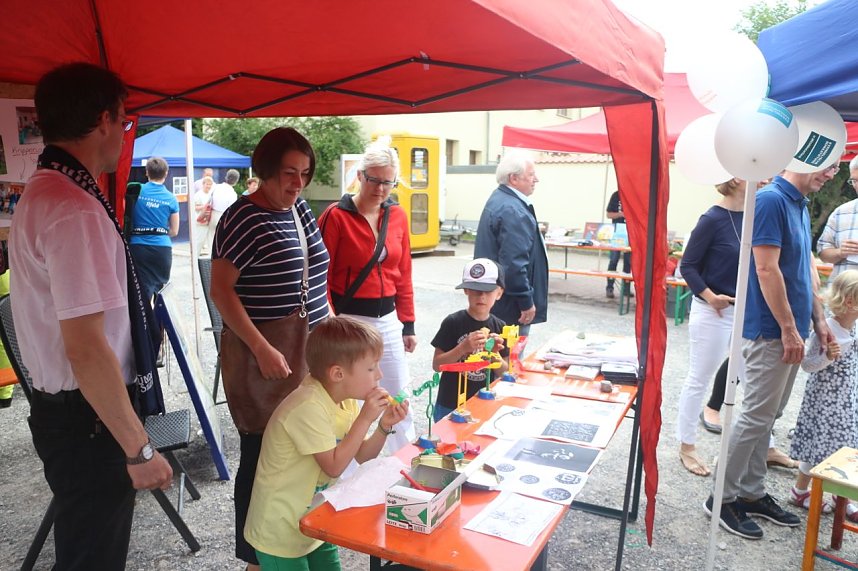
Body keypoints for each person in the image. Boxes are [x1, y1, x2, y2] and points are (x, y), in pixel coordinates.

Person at [9, 62, 172, 569]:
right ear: (104, 120)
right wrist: (139, 449)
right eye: (124, 121)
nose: (123, 134)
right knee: (92, 558)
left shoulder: (46, 188)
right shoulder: (73, 206)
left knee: (84, 550)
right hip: (88, 418)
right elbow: (85, 347)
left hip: (74, 414)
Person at [210, 127, 330, 571]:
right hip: (268, 355)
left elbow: (315, 275)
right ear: (264, 170)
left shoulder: (299, 208)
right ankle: (255, 558)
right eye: (288, 173)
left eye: (304, 173)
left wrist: (333, 332)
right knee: (262, 453)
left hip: (309, 348)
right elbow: (221, 291)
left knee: (302, 450)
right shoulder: (242, 218)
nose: (298, 183)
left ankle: (294, 538)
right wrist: (261, 348)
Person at [704, 165, 838, 540]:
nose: (832, 174)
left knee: (767, 416)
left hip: (789, 329)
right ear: (802, 159)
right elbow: (766, 269)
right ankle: (721, 498)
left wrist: (819, 319)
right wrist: (789, 328)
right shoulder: (770, 200)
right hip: (770, 331)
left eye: (836, 167)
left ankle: (751, 492)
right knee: (754, 417)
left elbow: (804, 270)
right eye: (828, 165)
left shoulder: (798, 203)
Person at [244, 316, 408, 570]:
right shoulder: (308, 406)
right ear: (338, 374)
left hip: (313, 517)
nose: (380, 374)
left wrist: (384, 426)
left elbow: (362, 455)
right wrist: (365, 418)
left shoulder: (345, 398)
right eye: (371, 368)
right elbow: (333, 466)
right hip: (280, 530)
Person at [319, 141, 417, 452]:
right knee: (349, 397)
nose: (380, 189)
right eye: (374, 180)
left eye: (388, 182)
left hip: (387, 317)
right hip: (349, 319)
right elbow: (321, 274)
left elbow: (403, 271)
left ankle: (404, 458)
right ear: (360, 176)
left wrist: (408, 323)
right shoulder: (336, 216)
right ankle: (346, 468)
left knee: (398, 393)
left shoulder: (397, 215)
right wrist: (329, 320)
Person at [676, 178, 745, 477]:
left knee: (750, 380)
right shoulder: (712, 219)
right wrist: (709, 296)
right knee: (699, 378)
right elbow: (687, 266)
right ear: (737, 179)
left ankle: (759, 449)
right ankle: (686, 445)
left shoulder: (755, 215)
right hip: (713, 310)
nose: (766, 178)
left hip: (746, 312)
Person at [788, 270, 858, 517]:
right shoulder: (826, 329)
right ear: (850, 301)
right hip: (825, 401)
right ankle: (800, 491)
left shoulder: (854, 327)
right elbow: (807, 365)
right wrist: (827, 357)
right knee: (816, 445)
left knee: (846, 447)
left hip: (847, 400)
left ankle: (842, 495)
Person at [474, 150, 548, 338]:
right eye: (531, 175)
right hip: (509, 306)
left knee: (494, 351)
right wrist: (526, 301)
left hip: (496, 298)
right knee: (508, 353)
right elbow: (514, 264)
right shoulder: (513, 210)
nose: (536, 179)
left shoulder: (501, 199)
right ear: (514, 178)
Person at [431, 258, 509, 421]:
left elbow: (505, 373)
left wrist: (495, 355)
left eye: (488, 291)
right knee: (445, 437)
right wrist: (463, 348)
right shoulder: (453, 322)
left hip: (483, 401)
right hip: (450, 402)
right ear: (466, 290)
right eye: (475, 290)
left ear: (499, 293)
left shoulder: (501, 327)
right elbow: (437, 365)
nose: (481, 296)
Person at [128, 156, 179, 302]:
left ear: (146, 172)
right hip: (161, 248)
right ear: (166, 173)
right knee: (161, 295)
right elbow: (174, 231)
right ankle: (158, 317)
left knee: (141, 293)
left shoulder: (135, 190)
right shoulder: (171, 198)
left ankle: (144, 317)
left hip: (138, 247)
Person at [817, 157, 858, 278]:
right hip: (843, 288)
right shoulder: (841, 213)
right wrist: (840, 252)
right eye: (855, 181)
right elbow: (823, 252)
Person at [605, 189, 631, 299]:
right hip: (618, 233)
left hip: (631, 232)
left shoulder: (635, 194)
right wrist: (622, 214)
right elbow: (608, 214)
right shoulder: (616, 195)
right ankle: (609, 287)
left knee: (628, 262)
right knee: (614, 259)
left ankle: (626, 289)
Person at [206, 168, 239, 254]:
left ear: (226, 177)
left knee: (211, 238)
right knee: (223, 240)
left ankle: (211, 256)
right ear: (236, 181)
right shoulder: (233, 194)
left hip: (214, 214)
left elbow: (209, 201)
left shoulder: (216, 187)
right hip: (225, 217)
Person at [193, 174, 215, 256]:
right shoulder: (198, 195)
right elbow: (193, 207)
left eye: (210, 184)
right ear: (203, 184)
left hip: (209, 221)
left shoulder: (212, 194)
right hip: (200, 222)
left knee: (211, 242)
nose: (208, 186)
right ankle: (195, 257)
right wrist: (204, 207)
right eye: (207, 184)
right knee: (199, 241)